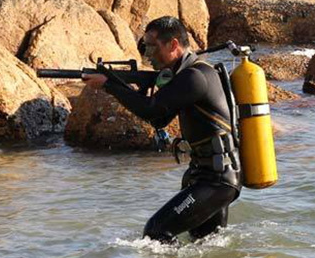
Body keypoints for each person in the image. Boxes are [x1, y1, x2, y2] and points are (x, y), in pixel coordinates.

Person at [82, 16, 240, 242]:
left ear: (173, 45)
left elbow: (151, 111)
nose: (148, 55)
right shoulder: (184, 75)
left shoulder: (194, 76)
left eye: (151, 47)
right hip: (207, 176)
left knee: (155, 232)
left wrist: (109, 85)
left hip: (216, 179)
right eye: (144, 47)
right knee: (203, 245)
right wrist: (134, 87)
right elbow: (160, 120)